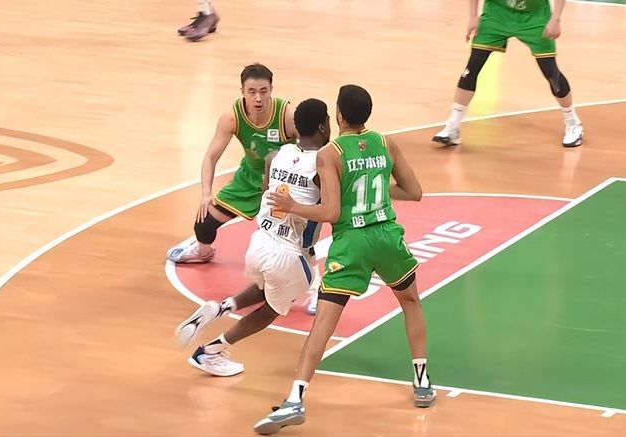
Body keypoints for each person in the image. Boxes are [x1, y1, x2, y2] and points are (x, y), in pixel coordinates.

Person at [253, 85, 436, 435]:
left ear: (338, 116)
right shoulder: (386, 143)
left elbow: (331, 212)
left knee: (323, 324)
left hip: (352, 243)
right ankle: (422, 381)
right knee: (411, 302)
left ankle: (295, 399)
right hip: (386, 237)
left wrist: (293, 206)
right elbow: (414, 192)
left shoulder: (330, 153)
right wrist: (375, 189)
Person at [174, 98, 330, 376]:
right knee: (272, 309)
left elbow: (266, 188)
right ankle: (211, 351)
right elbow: (331, 210)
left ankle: (221, 307)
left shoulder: (276, 155)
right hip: (290, 253)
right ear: (322, 127)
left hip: (260, 242)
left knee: (268, 286)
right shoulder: (323, 164)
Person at [167, 63, 297, 264]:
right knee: (203, 224)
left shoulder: (287, 115)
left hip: (282, 182)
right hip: (249, 179)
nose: (258, 98)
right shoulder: (232, 117)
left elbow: (314, 149)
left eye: (263, 91)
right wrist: (206, 194)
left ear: (271, 89)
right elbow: (211, 157)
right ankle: (202, 252)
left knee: (283, 235)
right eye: (252, 92)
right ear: (242, 91)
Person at [432, 0, 584, 148]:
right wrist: (472, 17)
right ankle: (453, 126)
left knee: (551, 72)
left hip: (534, 17)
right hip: (497, 14)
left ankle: (573, 122)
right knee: (471, 69)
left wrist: (556, 18)